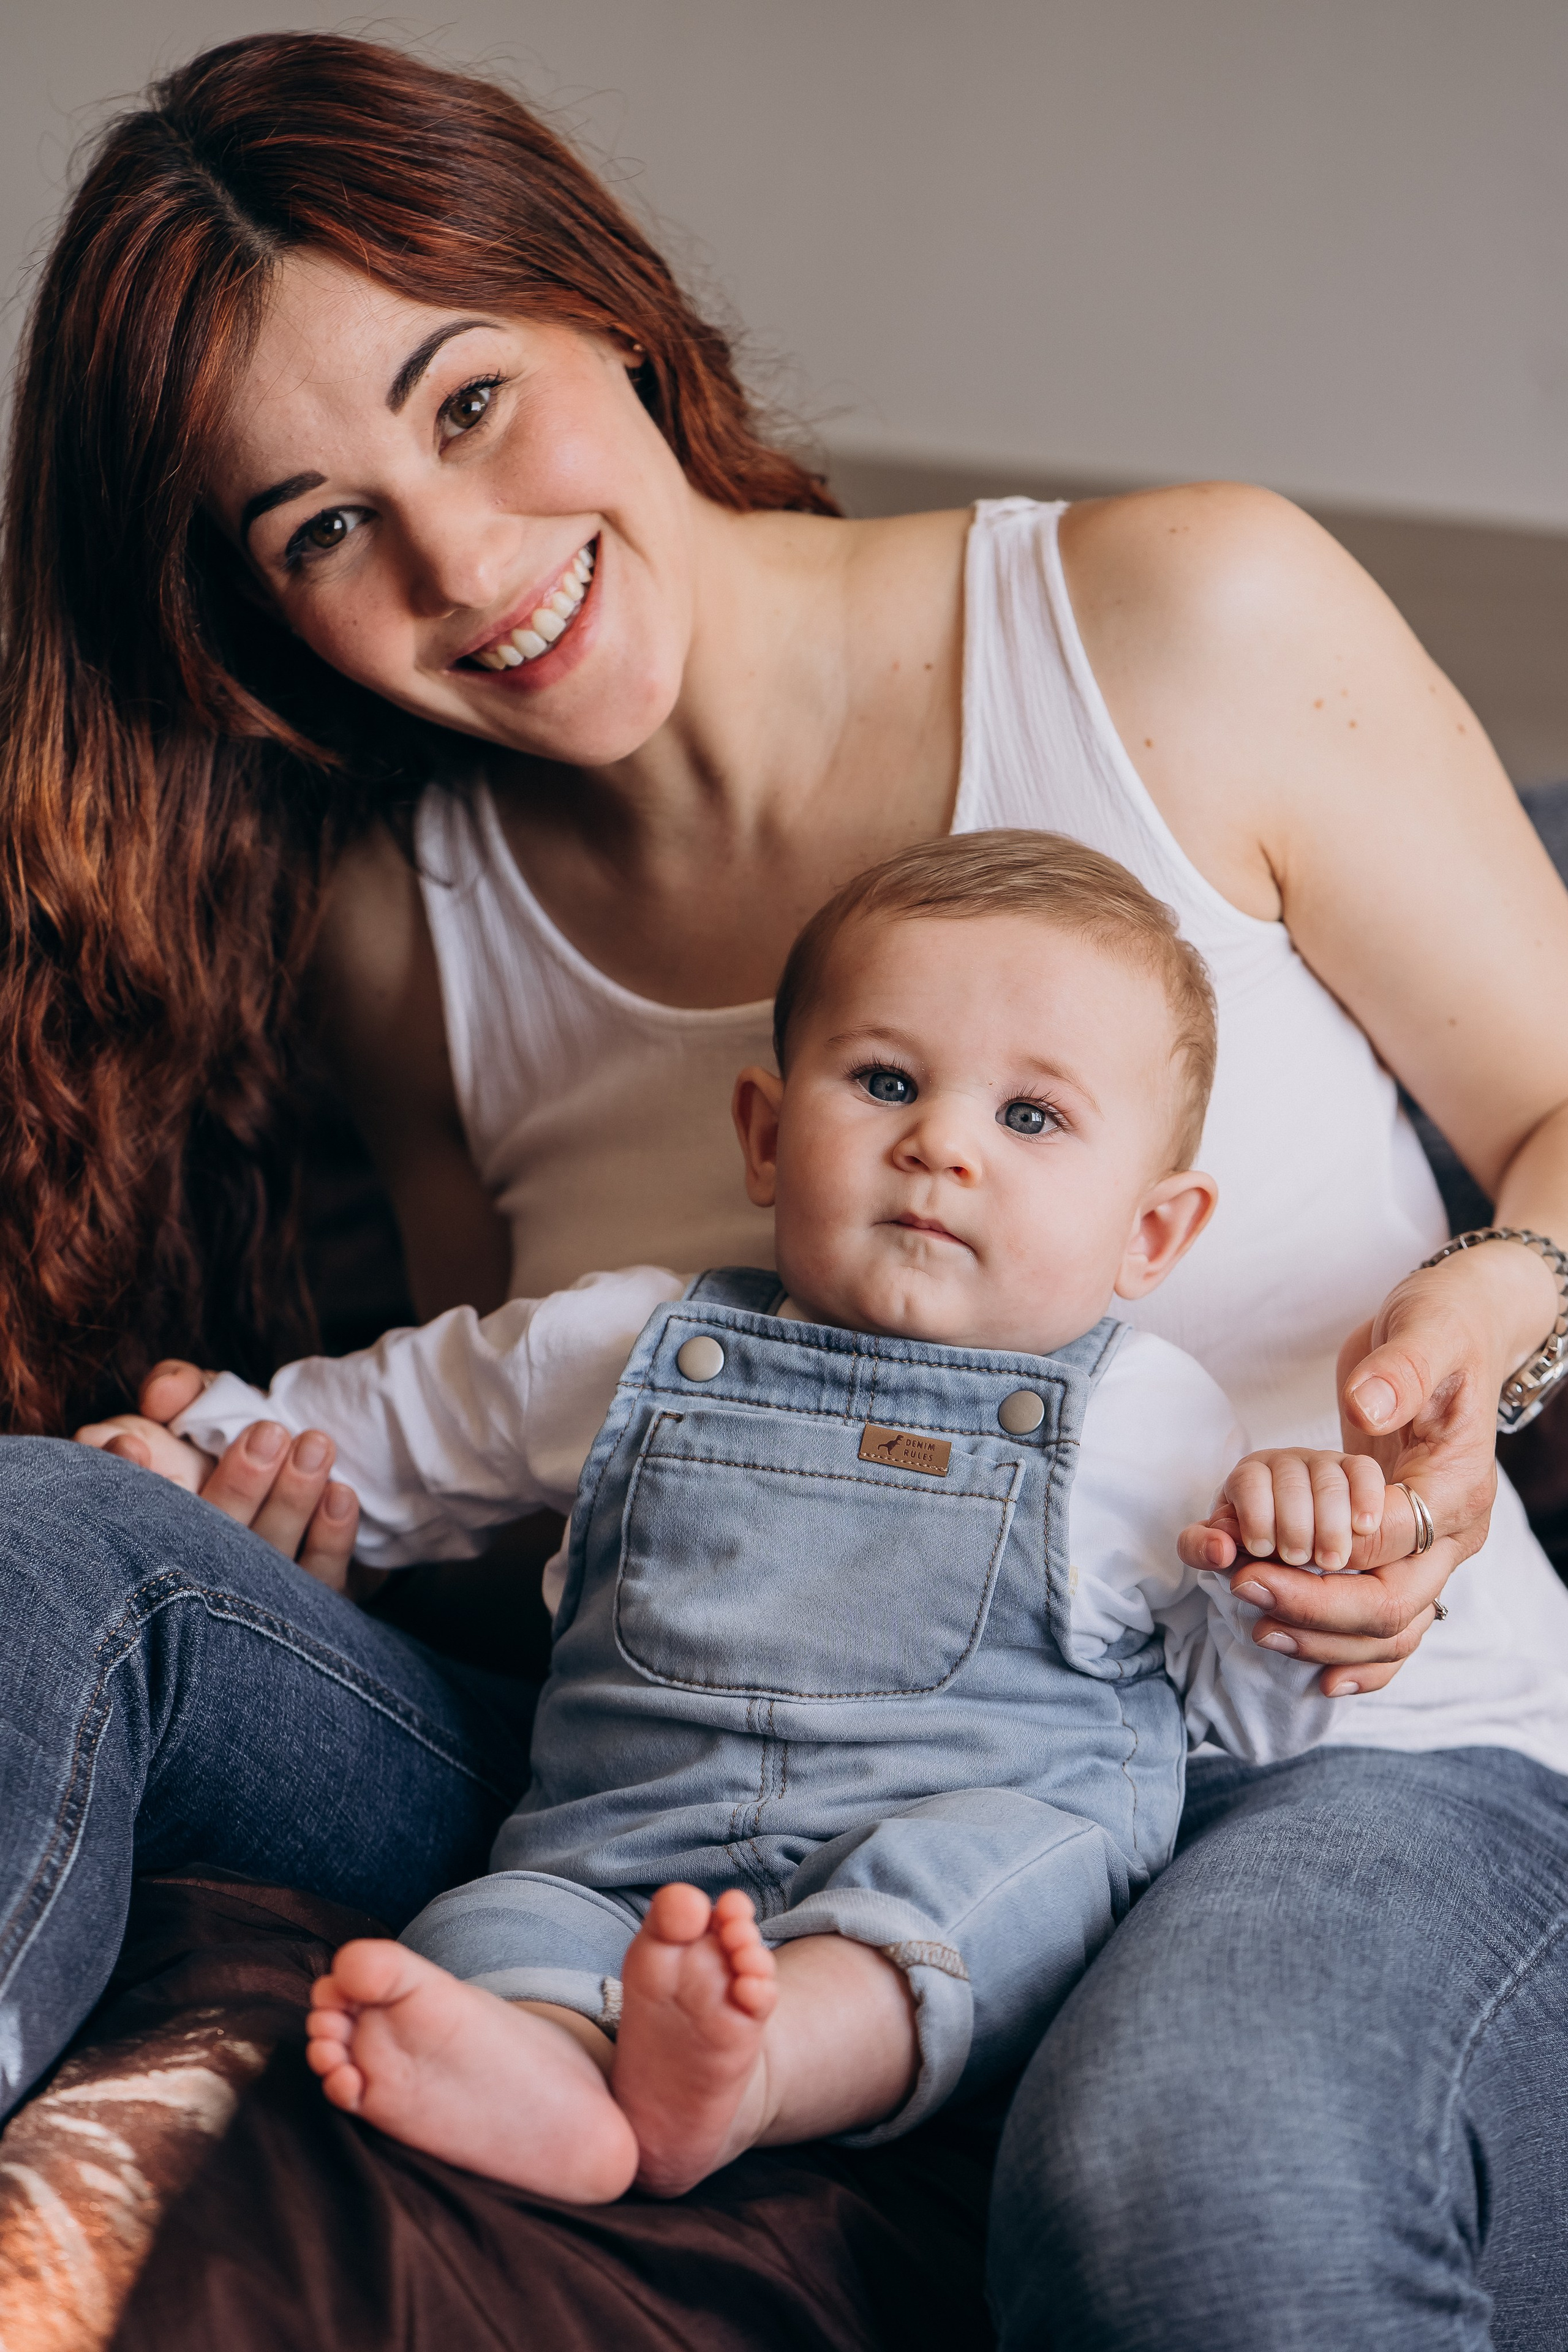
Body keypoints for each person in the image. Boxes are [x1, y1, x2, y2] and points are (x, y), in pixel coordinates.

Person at [3, 26, 1567, 2346]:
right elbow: (539, 1491)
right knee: (47, 1531)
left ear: (604, 306)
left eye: (465, 402)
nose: (466, 561)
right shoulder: (397, 933)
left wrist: (1494, 1310)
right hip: (690, 1782)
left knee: (1188, 2181)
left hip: (1310, 1766)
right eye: (321, 526)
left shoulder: (1181, 619)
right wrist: (308, 1515)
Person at [106, 832, 1381, 2202]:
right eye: (885, 1081)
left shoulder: (1147, 1418)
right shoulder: (629, 1345)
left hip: (957, 1834)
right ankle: (550, 2076)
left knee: (978, 1899)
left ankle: (752, 2072)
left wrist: (1290, 1577)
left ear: (1151, 1236)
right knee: (496, 1918)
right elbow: (406, 1425)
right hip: (623, 1846)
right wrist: (203, 1445)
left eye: (1029, 1118)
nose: (938, 1143)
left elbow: (1255, 1730)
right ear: (767, 1136)